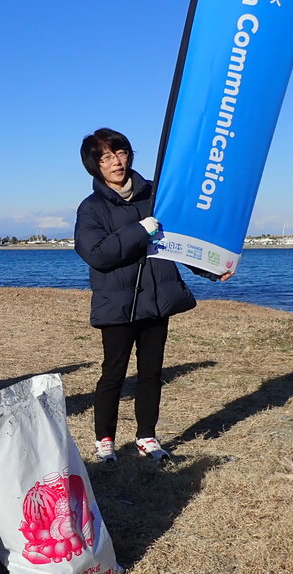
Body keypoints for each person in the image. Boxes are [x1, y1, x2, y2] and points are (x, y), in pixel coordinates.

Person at [74, 127, 231, 462]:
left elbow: (179, 243)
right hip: (117, 303)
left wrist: (212, 269)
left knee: (151, 373)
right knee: (113, 374)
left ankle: (147, 436)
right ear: (95, 165)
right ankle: (105, 441)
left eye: (121, 153)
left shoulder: (156, 196)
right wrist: (139, 230)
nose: (116, 162)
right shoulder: (91, 208)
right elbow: (97, 253)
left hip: (156, 300)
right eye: (106, 157)